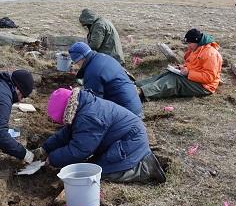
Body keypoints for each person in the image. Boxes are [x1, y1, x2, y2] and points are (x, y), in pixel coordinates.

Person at [32, 87, 166, 183]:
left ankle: (146, 167)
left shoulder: (88, 118)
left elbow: (80, 150)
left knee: (101, 173)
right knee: (93, 167)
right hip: (122, 137)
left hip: (130, 142)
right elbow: (66, 134)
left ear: (65, 112)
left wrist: (53, 159)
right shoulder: (82, 104)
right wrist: (46, 148)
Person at [136, 29, 222, 100]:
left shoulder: (211, 54)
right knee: (169, 73)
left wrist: (188, 73)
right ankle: (137, 85)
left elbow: (209, 77)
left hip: (205, 87)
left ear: (196, 41)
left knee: (175, 79)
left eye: (189, 43)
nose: (188, 46)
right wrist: (182, 68)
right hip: (196, 80)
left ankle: (142, 93)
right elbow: (193, 65)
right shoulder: (196, 49)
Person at [68, 42, 143, 117]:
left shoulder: (92, 71)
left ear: (81, 58)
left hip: (127, 116)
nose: (76, 65)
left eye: (76, 62)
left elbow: (93, 103)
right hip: (135, 107)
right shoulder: (103, 57)